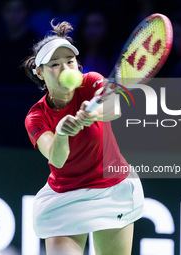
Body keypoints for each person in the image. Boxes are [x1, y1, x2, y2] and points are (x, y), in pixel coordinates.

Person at [22, 20, 144, 255]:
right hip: (64, 198)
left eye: (70, 62)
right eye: (55, 65)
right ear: (40, 72)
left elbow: (114, 107)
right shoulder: (36, 117)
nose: (65, 69)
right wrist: (62, 132)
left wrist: (94, 113)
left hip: (112, 189)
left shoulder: (91, 82)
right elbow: (57, 159)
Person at [0, 0, 37, 85]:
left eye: (18, 10)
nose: (13, 15)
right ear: (2, 13)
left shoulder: (37, 48)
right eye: (8, 10)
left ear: (26, 12)